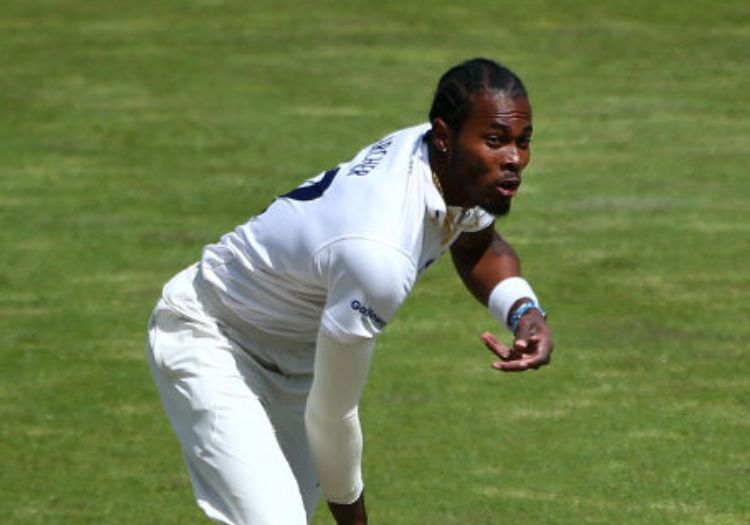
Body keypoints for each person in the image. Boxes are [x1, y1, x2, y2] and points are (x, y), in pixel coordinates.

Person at [146, 57, 554, 525]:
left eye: (523, 142)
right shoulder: (379, 252)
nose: (515, 160)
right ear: (444, 135)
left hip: (297, 359)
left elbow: (478, 245)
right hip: (213, 337)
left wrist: (523, 310)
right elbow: (333, 415)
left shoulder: (450, 167)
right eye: (496, 141)